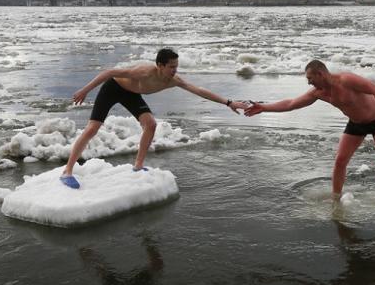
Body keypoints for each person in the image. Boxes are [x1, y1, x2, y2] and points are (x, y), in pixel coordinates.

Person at [60, 47, 247, 188]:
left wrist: (228, 102)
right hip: (113, 88)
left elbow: (199, 90)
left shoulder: (174, 80)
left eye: (176, 67)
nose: (174, 71)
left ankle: (138, 166)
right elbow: (109, 72)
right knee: (93, 128)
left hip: (131, 94)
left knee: (150, 124)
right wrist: (85, 90)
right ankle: (67, 171)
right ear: (160, 65)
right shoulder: (143, 72)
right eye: (171, 67)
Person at [244, 59, 375, 200]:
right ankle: (336, 196)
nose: (309, 83)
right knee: (340, 160)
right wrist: (263, 107)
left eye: (310, 78)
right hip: (356, 123)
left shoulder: (346, 80)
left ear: (320, 74)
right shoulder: (318, 93)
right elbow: (291, 104)